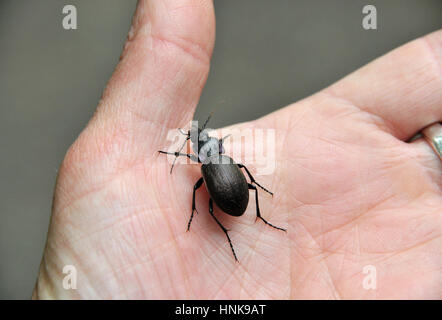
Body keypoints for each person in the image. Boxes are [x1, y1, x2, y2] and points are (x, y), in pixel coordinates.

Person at [32, 0, 441, 299]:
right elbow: (224, 174)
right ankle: (253, 214)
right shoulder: (217, 161)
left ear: (205, 149)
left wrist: (198, 164)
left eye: (201, 143)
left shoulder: (212, 162)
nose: (202, 144)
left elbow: (217, 172)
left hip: (234, 195)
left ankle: (255, 210)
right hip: (234, 195)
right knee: (213, 199)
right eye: (200, 143)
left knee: (212, 200)